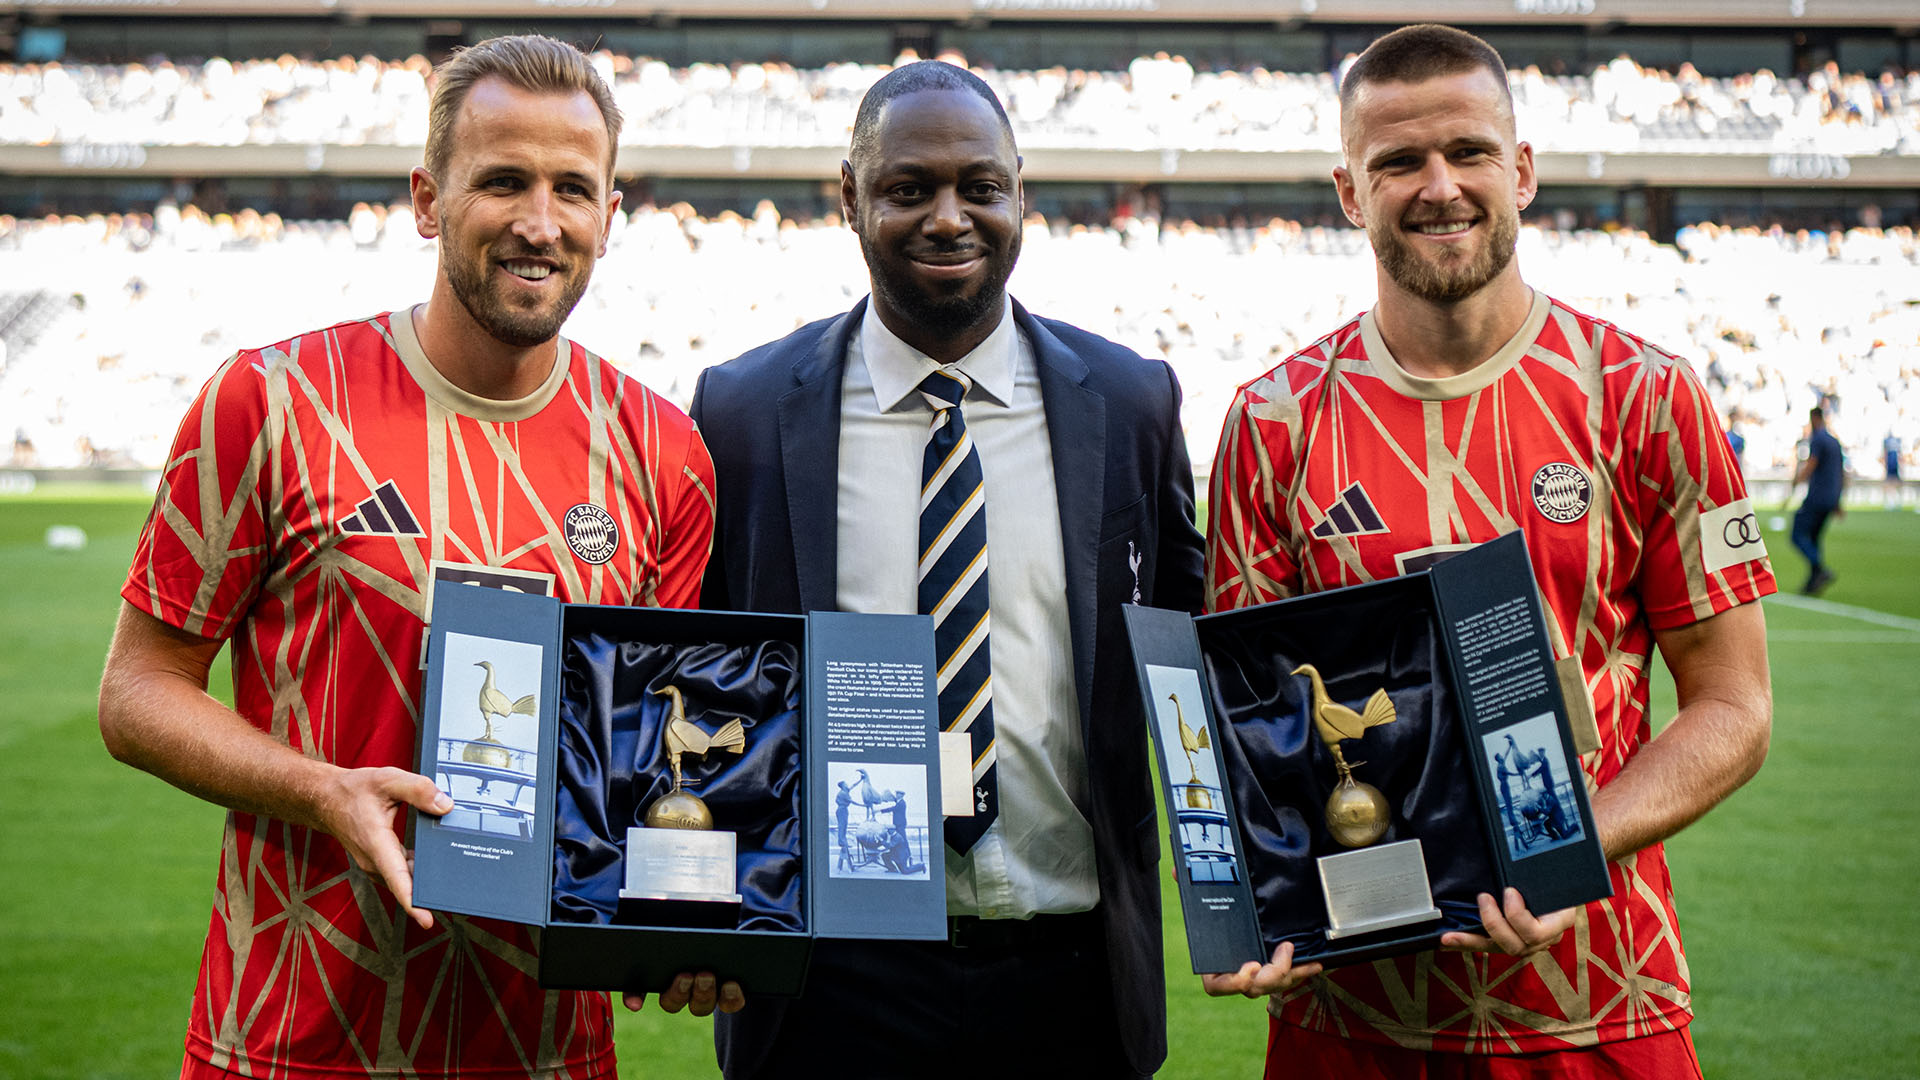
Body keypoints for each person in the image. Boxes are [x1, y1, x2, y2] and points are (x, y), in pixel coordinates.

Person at [96, 35, 728, 1080]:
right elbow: (135, 694)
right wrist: (321, 789)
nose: (540, 221)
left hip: (548, 1056)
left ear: (610, 219)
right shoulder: (270, 401)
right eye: (503, 181)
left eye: (574, 188)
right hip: (291, 1039)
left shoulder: (667, 454)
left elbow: (643, 760)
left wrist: (699, 923)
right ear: (428, 200)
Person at [1204, 24, 1774, 1078]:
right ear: (1348, 191)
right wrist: (1248, 904)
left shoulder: (1649, 394)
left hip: (1607, 1002)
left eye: (1467, 152)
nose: (1438, 187)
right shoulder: (1272, 423)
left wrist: (1567, 847)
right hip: (1353, 1021)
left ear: (1520, 169)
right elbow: (1249, 726)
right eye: (1397, 163)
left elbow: (1735, 705)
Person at [691, 60, 1205, 1080]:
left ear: (1022, 194)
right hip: (828, 988)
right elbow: (706, 675)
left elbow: (1194, 651)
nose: (948, 217)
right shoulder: (742, 412)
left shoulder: (1131, 401)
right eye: (908, 188)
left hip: (1069, 977)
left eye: (980, 186)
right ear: (850, 198)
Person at [1789, 405, 1846, 593]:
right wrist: (1838, 501)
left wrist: (1798, 481)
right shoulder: (1834, 441)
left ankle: (1820, 569)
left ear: (1814, 418)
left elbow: (1812, 463)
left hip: (1817, 496)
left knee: (1797, 535)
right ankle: (1813, 581)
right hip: (1830, 498)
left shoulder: (1818, 439)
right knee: (1814, 537)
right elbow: (1840, 472)